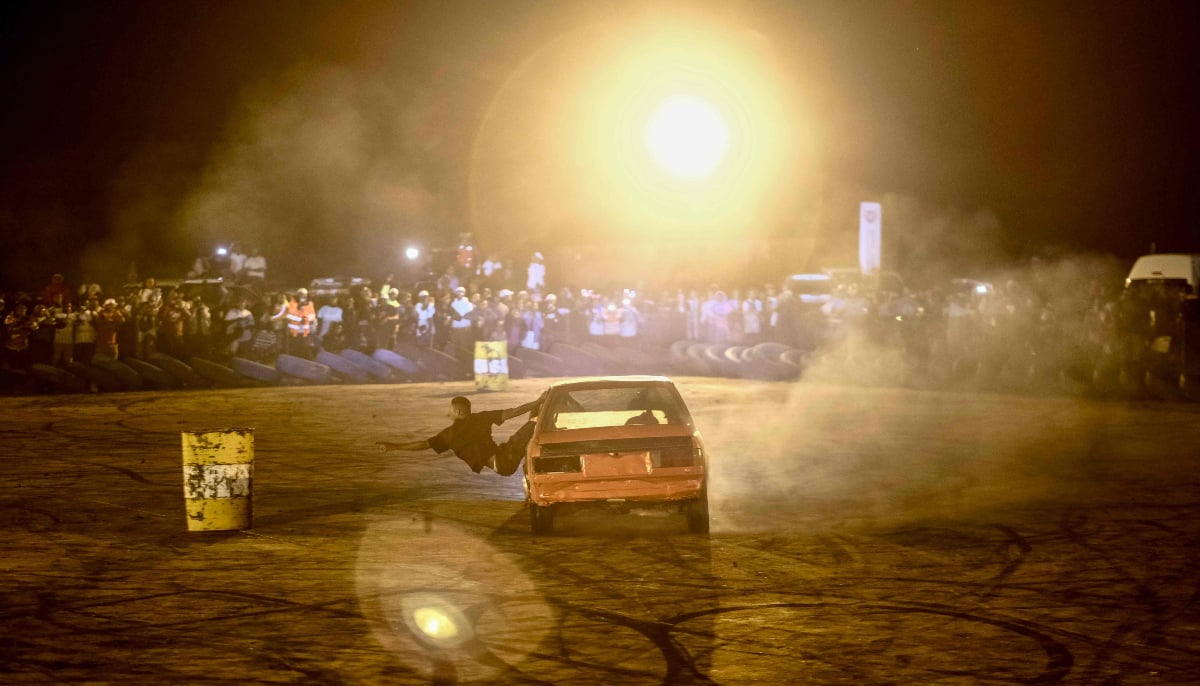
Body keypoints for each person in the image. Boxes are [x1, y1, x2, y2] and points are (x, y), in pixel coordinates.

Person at [377, 392, 545, 476]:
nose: (448, 413)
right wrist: (536, 402)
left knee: (533, 429)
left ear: (457, 411)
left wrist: (394, 447)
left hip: (502, 463)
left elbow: (422, 445)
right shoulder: (481, 418)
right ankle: (546, 405)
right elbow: (514, 411)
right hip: (503, 458)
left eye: (450, 410)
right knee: (533, 424)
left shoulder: (449, 435)